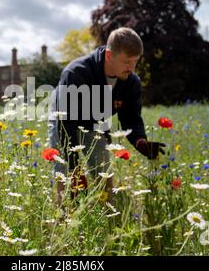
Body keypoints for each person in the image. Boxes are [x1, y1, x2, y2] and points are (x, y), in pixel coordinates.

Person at [48, 27, 166, 206]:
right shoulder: (76, 73)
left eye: (135, 62)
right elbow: (67, 122)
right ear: (109, 55)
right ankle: (63, 219)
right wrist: (75, 168)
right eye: (127, 62)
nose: (132, 68)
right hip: (64, 119)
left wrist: (140, 140)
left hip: (96, 122)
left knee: (103, 170)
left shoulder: (131, 82)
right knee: (64, 174)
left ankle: (108, 213)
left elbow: (131, 118)